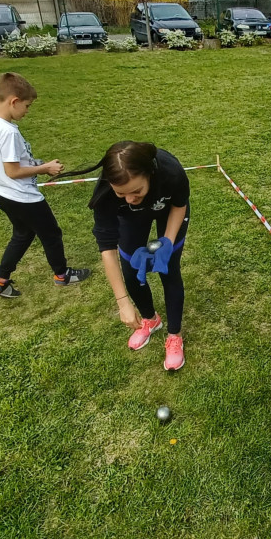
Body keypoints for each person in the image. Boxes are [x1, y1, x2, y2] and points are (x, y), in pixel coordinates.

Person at [59, 142, 190, 371]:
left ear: (149, 174)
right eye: (121, 193)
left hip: (167, 209)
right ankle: (150, 319)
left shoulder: (170, 172)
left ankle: (174, 335)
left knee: (168, 269)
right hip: (132, 218)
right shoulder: (106, 195)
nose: (129, 198)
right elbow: (107, 249)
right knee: (130, 269)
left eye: (136, 190)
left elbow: (179, 205)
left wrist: (166, 242)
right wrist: (123, 302)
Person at [0, 72, 90, 298]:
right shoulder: (8, 132)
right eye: (27, 106)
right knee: (51, 234)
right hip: (23, 197)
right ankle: (62, 275)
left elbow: (9, 164)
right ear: (14, 101)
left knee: (22, 234)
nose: (27, 111)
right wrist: (45, 168)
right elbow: (12, 171)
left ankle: (0, 280)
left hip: (2, 194)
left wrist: (34, 163)